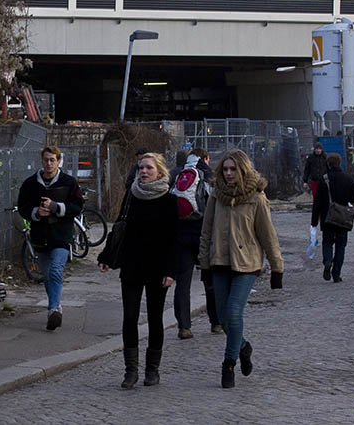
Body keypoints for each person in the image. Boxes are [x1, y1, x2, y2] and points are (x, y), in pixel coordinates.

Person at [198, 149, 284, 389]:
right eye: (225, 169)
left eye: (233, 169)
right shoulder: (216, 195)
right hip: (219, 262)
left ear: (243, 170)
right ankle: (244, 346)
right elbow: (206, 231)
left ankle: (229, 364)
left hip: (247, 263)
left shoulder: (256, 197)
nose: (228, 173)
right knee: (224, 320)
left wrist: (277, 267)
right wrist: (204, 262)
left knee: (234, 312)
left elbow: (267, 235)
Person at [99, 152, 177, 389]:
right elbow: (120, 227)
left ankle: (152, 370)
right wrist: (106, 255)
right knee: (130, 317)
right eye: (141, 168)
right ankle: (130, 370)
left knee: (154, 318)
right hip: (132, 265)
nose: (143, 172)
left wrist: (171, 270)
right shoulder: (131, 196)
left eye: (149, 168)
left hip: (157, 267)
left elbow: (174, 238)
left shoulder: (169, 200)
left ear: (160, 173)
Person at [17, 145, 84, 331]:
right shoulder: (30, 184)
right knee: (47, 276)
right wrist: (36, 212)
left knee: (55, 271)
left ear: (58, 161)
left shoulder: (69, 182)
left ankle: (53, 309)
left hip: (61, 235)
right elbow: (22, 207)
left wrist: (56, 207)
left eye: (52, 160)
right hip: (40, 236)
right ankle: (55, 306)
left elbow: (77, 206)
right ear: (42, 161)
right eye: (46, 160)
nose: (49, 163)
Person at [173, 148, 221, 339]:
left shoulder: (177, 173)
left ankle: (184, 327)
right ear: (206, 158)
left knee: (183, 283)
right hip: (203, 234)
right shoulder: (208, 174)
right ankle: (216, 322)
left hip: (181, 234)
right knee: (210, 280)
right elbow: (215, 204)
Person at [310, 152, 354, 283]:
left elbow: (317, 202)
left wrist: (314, 221)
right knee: (341, 246)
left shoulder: (324, 180)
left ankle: (327, 261)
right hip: (342, 218)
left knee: (327, 242)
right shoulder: (347, 179)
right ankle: (336, 274)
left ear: (328, 164)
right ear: (339, 162)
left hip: (327, 217)